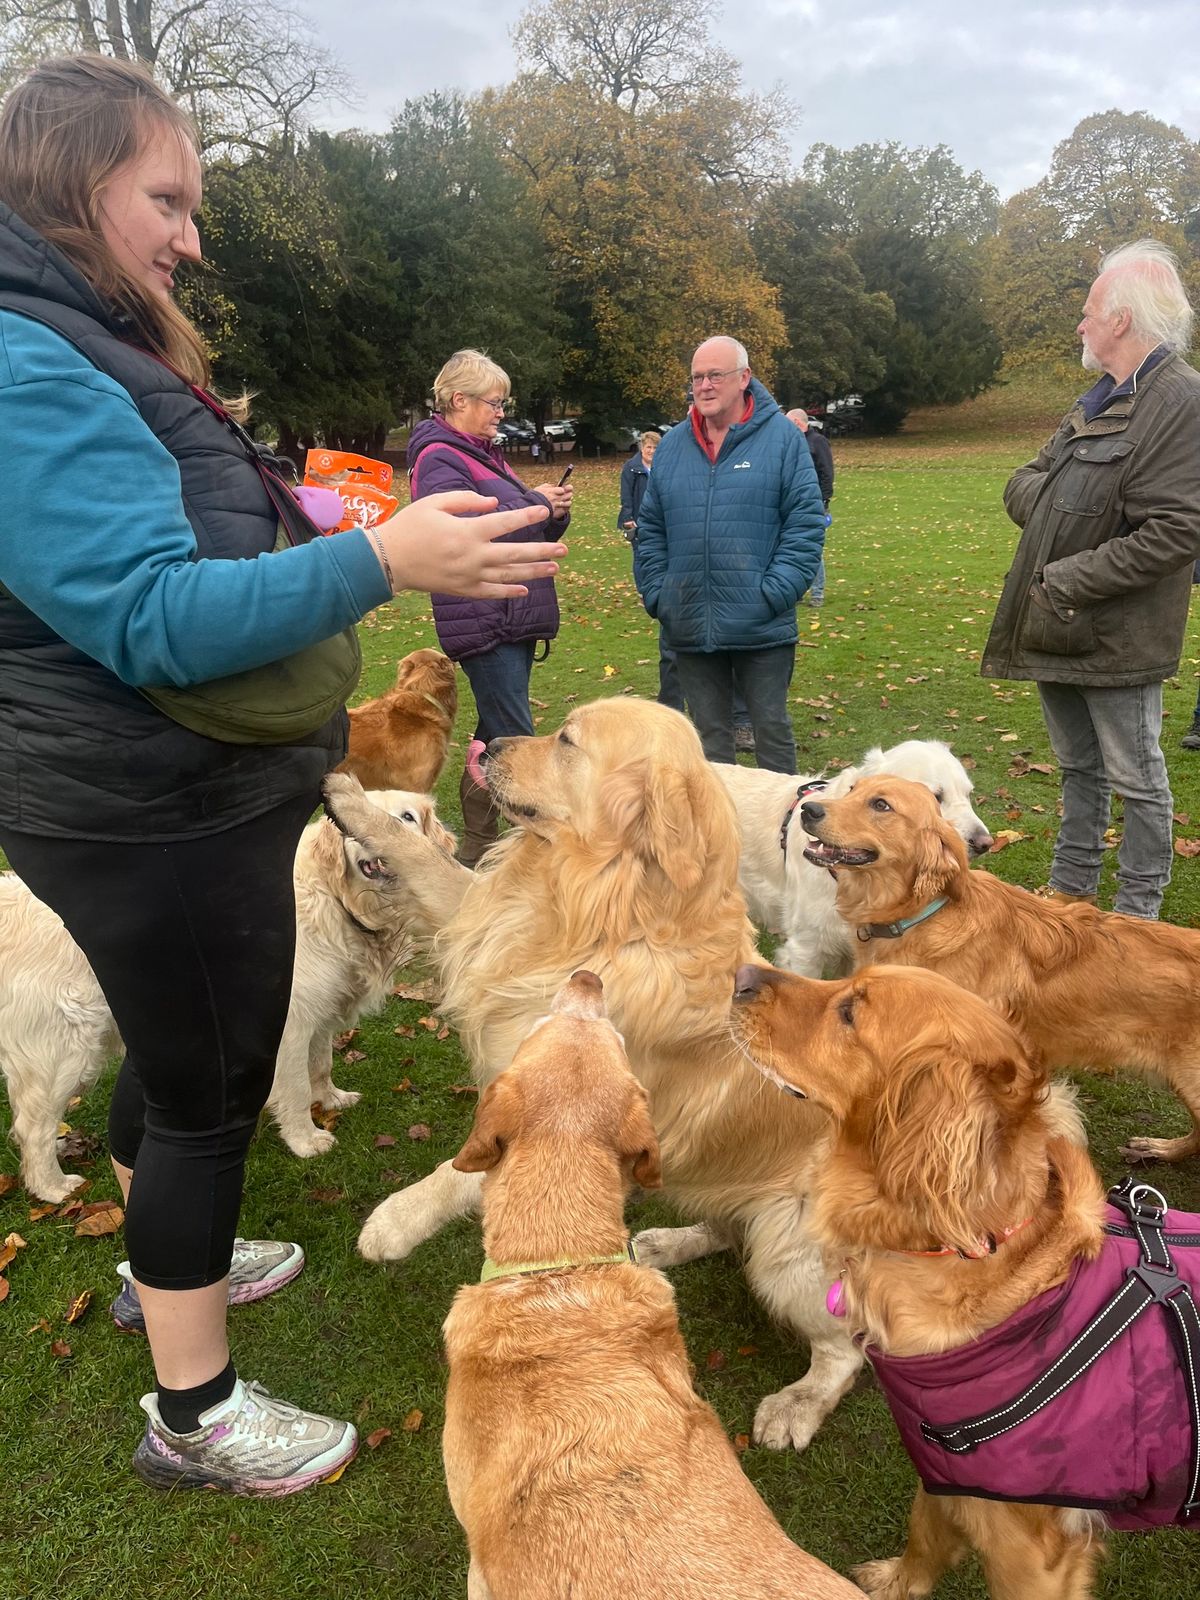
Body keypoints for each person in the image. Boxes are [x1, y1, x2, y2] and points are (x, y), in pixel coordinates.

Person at [0, 56, 562, 1496]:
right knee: (209, 1086)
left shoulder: (76, 332)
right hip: (147, 804)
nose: (191, 234)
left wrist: (305, 515)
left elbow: (165, 537)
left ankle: (158, 1267)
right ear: (72, 186)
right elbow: (148, 616)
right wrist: (381, 556)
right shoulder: (24, 357)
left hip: (176, 789)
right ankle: (195, 1412)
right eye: (166, 198)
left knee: (172, 1057)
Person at [981, 238, 1200, 919]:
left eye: (1088, 311)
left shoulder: (1182, 401)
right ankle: (1070, 902)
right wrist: (1058, 569)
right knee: (1078, 771)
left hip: (1115, 632)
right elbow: (1024, 480)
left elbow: (1177, 530)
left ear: (1123, 319)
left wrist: (1067, 576)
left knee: (1138, 781)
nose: (1080, 324)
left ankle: (1137, 919)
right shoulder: (1097, 399)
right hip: (1055, 622)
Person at [407, 350, 572, 864]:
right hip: (485, 616)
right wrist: (535, 504)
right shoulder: (440, 458)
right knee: (517, 740)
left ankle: (477, 844)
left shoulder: (480, 453)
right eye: (493, 402)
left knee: (492, 734)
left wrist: (551, 512)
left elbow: (518, 522)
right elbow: (459, 529)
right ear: (459, 399)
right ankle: (542, 851)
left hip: (508, 612)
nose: (501, 412)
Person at [633, 336, 825, 771]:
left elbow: (805, 525)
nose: (704, 385)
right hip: (690, 621)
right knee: (707, 742)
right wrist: (660, 594)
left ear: (744, 378)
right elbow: (653, 528)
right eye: (697, 377)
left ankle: (782, 836)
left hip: (761, 624)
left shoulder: (782, 440)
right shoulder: (675, 445)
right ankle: (718, 837)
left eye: (714, 375)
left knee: (770, 731)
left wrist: (773, 594)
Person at [618, 430, 682, 713]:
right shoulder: (632, 468)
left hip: (674, 544)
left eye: (654, 447)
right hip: (644, 529)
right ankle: (670, 707)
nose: (650, 451)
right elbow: (627, 496)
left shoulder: (668, 468)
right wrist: (629, 518)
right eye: (647, 447)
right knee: (641, 557)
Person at [785, 408, 834, 606]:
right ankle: (797, 590)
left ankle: (817, 593)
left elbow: (827, 473)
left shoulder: (817, 442)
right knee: (793, 548)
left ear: (797, 422)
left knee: (813, 548)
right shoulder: (792, 443)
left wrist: (822, 501)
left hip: (813, 503)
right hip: (793, 503)